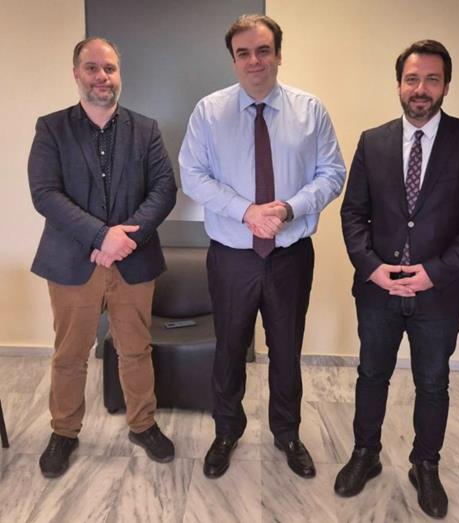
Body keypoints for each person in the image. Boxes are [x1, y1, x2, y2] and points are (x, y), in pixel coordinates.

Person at [337, 40, 459, 518]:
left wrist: (436, 272)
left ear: (446, 85)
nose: (421, 89)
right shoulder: (373, 141)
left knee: (433, 382)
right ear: (399, 85)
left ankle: (425, 465)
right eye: (412, 79)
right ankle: (365, 454)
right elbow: (353, 213)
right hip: (378, 289)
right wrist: (372, 268)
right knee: (371, 375)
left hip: (439, 293)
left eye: (432, 79)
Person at [179, 14, 346, 479]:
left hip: (290, 255)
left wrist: (289, 208)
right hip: (232, 256)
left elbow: (333, 173)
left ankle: (287, 433)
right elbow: (192, 175)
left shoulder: (310, 111)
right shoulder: (208, 112)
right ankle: (226, 431)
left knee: (286, 349)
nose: (255, 61)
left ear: (278, 54)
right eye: (244, 53)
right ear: (233, 60)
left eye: (263, 50)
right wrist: (246, 211)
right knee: (229, 348)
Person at [28, 37, 177, 478]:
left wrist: (124, 239)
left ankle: (143, 424)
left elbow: (164, 189)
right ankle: (64, 431)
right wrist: (101, 235)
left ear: (119, 74)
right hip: (72, 263)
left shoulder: (146, 129)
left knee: (136, 349)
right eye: (92, 68)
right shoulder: (51, 129)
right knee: (70, 354)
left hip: (133, 262)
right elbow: (45, 194)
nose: (101, 77)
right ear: (76, 73)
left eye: (109, 68)